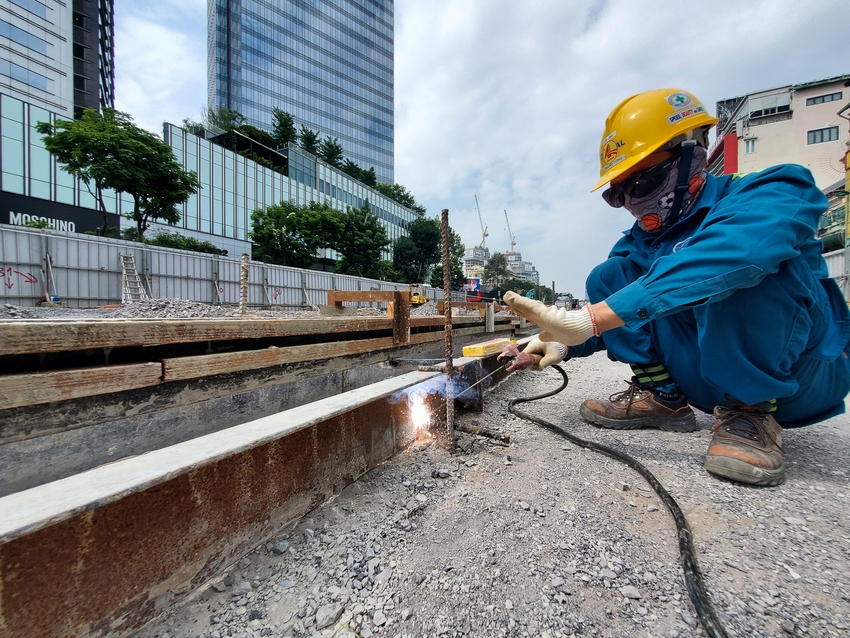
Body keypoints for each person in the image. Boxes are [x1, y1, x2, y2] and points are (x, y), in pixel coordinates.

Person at [501, 88, 850, 487]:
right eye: (620, 194)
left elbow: (737, 253)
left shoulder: (773, 191)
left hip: (803, 373)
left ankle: (751, 411)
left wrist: (591, 318)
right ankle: (663, 398)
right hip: (703, 376)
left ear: (692, 156)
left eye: (644, 181)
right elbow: (620, 316)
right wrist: (563, 343)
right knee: (610, 276)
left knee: (733, 270)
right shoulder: (641, 243)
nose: (634, 202)